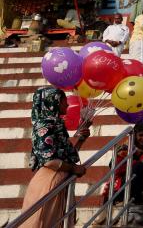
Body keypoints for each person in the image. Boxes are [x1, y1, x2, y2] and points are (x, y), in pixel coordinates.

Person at [21, 88, 91, 228]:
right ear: (51, 102)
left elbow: (65, 157)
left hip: (59, 179)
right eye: (63, 101)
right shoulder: (44, 126)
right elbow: (50, 160)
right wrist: (74, 168)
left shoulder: (56, 125)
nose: (67, 105)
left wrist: (82, 139)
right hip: (49, 181)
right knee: (44, 221)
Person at [100, 122, 143, 205]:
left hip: (134, 189)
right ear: (134, 136)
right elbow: (115, 167)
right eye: (141, 135)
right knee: (139, 166)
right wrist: (137, 162)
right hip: (118, 190)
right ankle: (123, 200)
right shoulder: (126, 148)